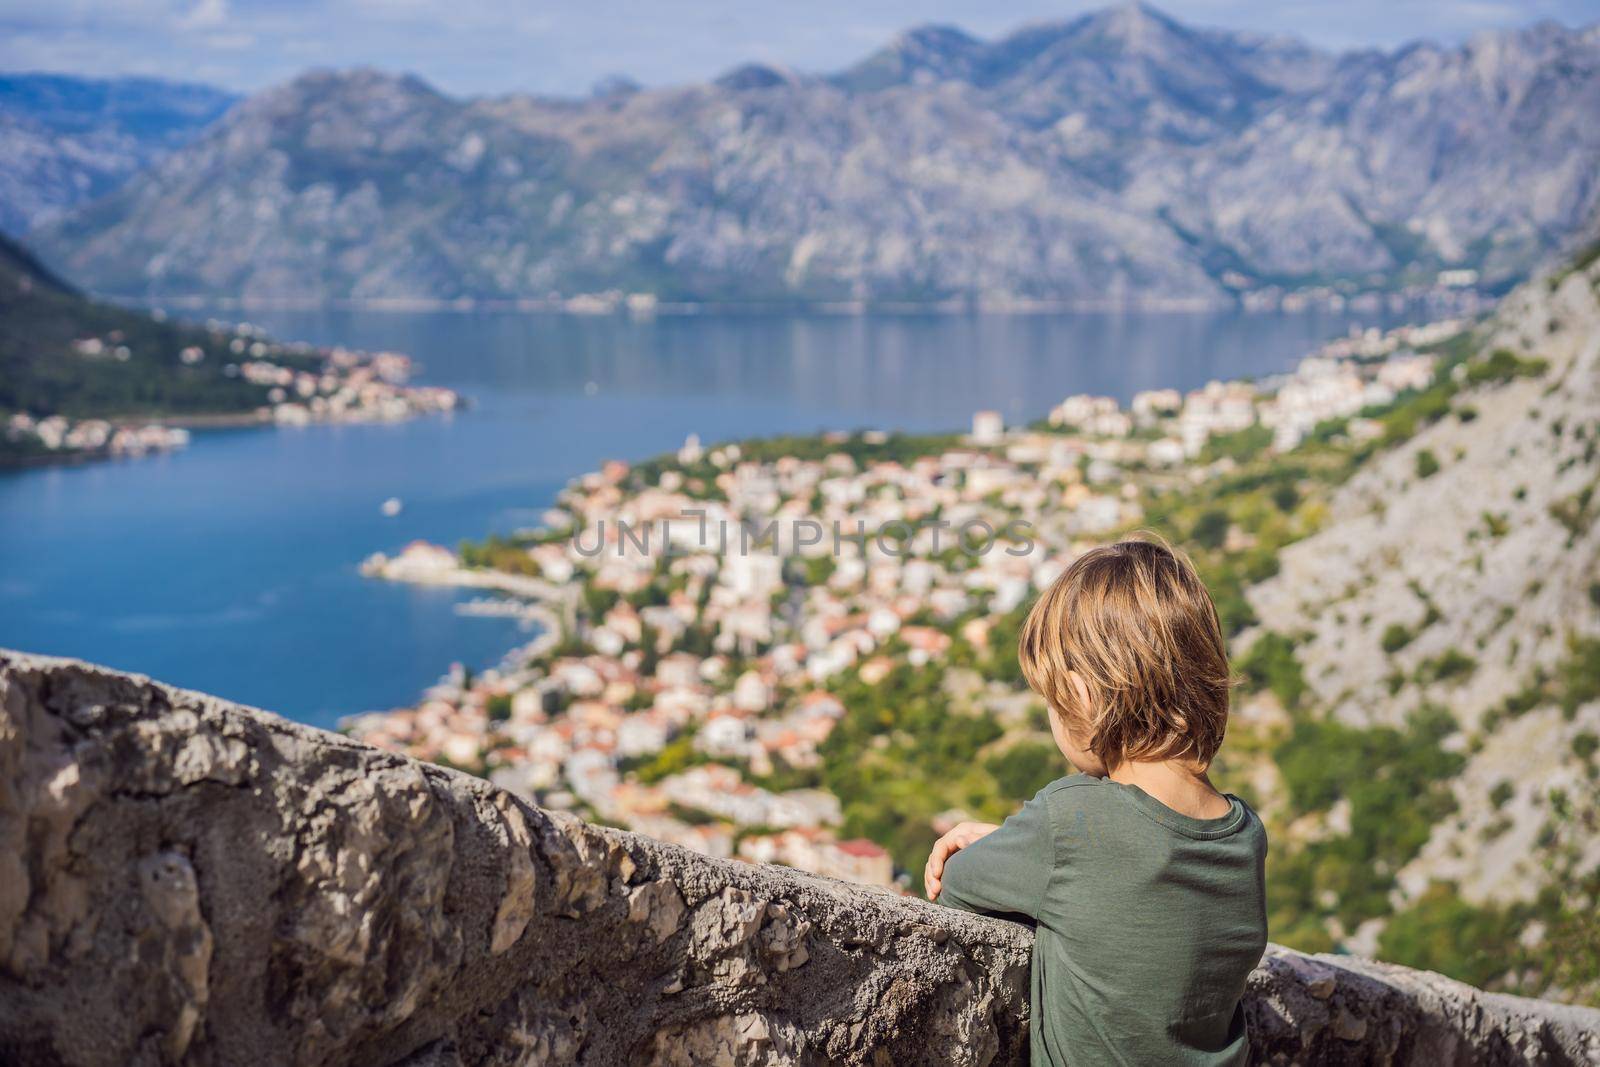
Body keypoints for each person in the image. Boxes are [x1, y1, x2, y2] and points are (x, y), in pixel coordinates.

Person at [926, 536, 1268, 1066]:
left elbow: (956, 885)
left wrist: (1011, 848)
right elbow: (1122, 888)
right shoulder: (1246, 834)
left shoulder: (1072, 818)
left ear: (1081, 695)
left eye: (1049, 699)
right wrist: (1024, 850)